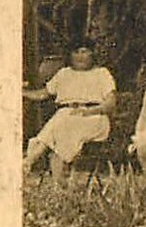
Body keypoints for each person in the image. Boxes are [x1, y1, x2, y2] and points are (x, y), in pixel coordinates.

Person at [23, 44, 117, 179]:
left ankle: (30, 159)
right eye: (76, 52)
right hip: (66, 117)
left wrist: (89, 111)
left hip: (94, 117)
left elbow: (110, 104)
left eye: (84, 51)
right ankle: (56, 184)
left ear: (92, 54)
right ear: (70, 55)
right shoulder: (64, 73)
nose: (80, 56)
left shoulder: (102, 73)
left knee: (60, 123)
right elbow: (43, 94)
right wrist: (21, 93)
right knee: (63, 119)